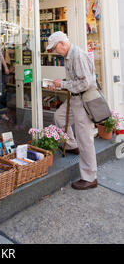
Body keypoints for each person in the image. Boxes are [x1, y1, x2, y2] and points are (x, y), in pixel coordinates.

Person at [46, 31, 98, 190]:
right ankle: (72, 145)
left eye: (55, 48)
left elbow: (85, 83)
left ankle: (90, 177)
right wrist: (62, 83)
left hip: (82, 100)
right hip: (75, 98)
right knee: (60, 117)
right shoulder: (70, 56)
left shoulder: (77, 56)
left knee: (85, 139)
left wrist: (62, 84)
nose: (55, 52)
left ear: (62, 43)